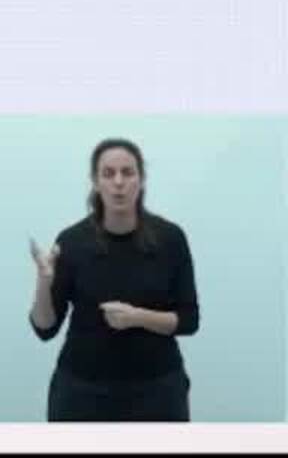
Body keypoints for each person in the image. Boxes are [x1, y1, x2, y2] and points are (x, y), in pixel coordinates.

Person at [28, 137, 198, 421]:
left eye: (127, 173)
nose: (118, 182)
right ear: (96, 183)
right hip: (81, 393)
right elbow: (44, 328)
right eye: (108, 174)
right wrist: (44, 282)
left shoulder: (170, 239)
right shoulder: (72, 241)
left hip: (157, 392)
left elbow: (189, 320)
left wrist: (137, 317)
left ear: (141, 180)